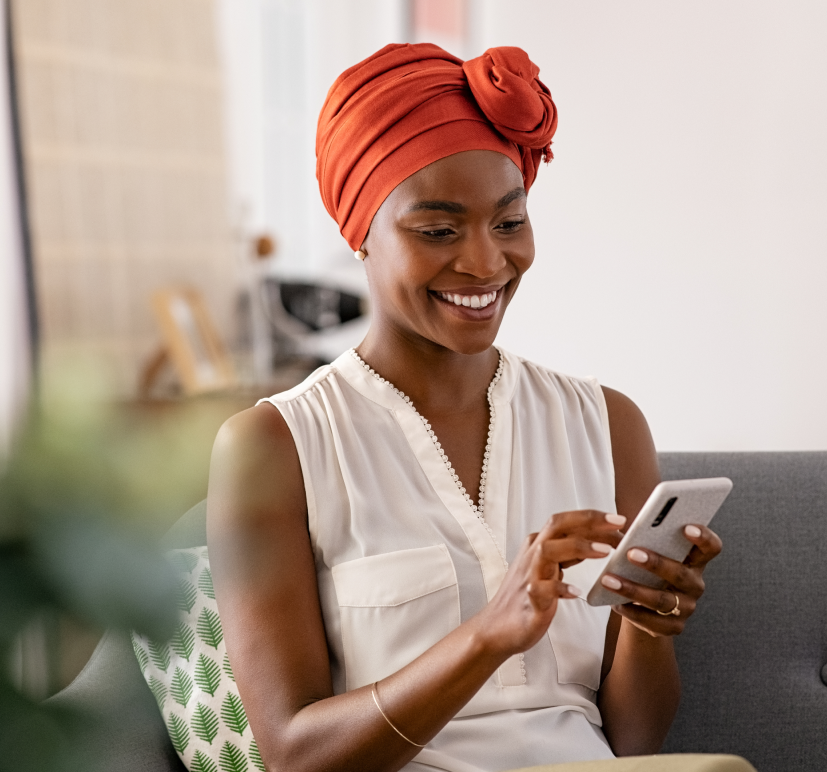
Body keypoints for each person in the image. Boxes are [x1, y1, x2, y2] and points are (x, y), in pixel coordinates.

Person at [207, 43, 726, 772]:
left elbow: (636, 743)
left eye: (509, 223)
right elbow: (295, 755)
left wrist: (651, 626)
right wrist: (487, 635)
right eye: (439, 230)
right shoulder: (276, 445)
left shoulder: (607, 425)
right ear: (360, 233)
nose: (485, 263)